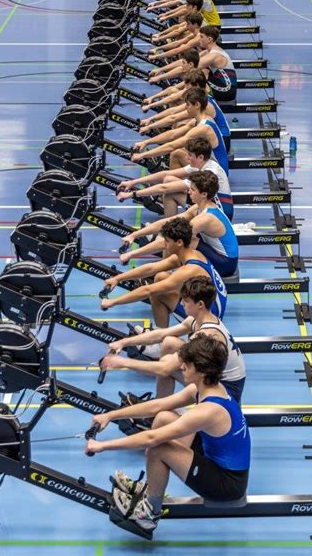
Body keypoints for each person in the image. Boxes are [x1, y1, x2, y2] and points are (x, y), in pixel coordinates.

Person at [85, 334, 250, 535]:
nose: (181, 368)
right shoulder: (207, 387)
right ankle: (151, 488)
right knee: (163, 416)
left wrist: (102, 446)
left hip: (227, 483)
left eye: (187, 366)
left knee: (159, 448)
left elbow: (151, 438)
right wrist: (110, 416)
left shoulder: (209, 410)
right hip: (213, 457)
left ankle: (149, 514)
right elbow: (158, 405)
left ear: (201, 371)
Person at [100, 277, 246, 402]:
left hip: (227, 390)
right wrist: (123, 342)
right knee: (169, 342)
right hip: (224, 377)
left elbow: (164, 369)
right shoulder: (201, 318)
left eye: (186, 300)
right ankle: (159, 403)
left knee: (167, 368)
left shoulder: (205, 334)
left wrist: (122, 362)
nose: (181, 303)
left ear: (200, 304)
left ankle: (158, 408)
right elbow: (161, 334)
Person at [100, 217, 227, 328]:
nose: (163, 244)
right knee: (160, 276)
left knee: (156, 293)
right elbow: (152, 268)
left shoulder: (189, 270)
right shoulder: (192, 254)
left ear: (179, 242)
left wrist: (112, 302)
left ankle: (159, 336)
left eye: (167, 241)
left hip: (209, 317)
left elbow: (147, 290)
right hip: (210, 303)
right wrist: (117, 278)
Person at [120, 171, 238, 278]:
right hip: (217, 254)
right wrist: (134, 235)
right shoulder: (199, 207)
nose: (188, 191)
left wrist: (131, 254)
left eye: (192, 189)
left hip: (226, 264)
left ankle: (168, 273)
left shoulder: (206, 218)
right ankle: (165, 270)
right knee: (179, 236)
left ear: (203, 194)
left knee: (182, 240)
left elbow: (166, 241)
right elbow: (169, 221)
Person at [118, 137, 233, 219]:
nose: (187, 158)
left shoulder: (208, 172)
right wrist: (133, 182)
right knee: (169, 179)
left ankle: (171, 229)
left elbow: (164, 188)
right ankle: (171, 223)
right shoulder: (201, 164)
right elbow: (165, 175)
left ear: (200, 157)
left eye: (190, 155)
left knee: (169, 193)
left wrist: (131, 194)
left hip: (221, 213)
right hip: (210, 203)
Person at [132, 87, 229, 175]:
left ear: (197, 105)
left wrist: (142, 155)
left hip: (218, 174)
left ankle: (181, 190)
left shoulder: (203, 128)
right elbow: (172, 134)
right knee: (180, 150)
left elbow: (172, 146)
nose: (186, 108)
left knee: (176, 154)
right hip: (211, 167)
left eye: (187, 105)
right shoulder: (199, 120)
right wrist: (146, 142)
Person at [198, 25, 237, 103]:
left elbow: (190, 66)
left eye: (201, 37)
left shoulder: (214, 54)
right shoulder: (208, 51)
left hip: (226, 90)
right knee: (202, 72)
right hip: (221, 84)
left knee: (196, 76)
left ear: (209, 39)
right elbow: (190, 60)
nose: (199, 39)